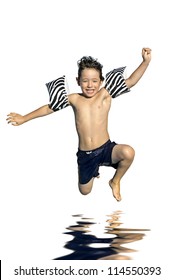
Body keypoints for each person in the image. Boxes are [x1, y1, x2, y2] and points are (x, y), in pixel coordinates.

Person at [7, 48, 152, 202]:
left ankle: (115, 181)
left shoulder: (105, 94)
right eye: (85, 81)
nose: (90, 85)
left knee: (128, 152)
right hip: (86, 154)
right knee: (85, 191)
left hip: (106, 148)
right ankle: (93, 171)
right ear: (78, 81)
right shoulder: (74, 99)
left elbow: (131, 81)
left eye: (95, 81)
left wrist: (145, 62)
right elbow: (49, 108)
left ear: (101, 81)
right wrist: (24, 118)